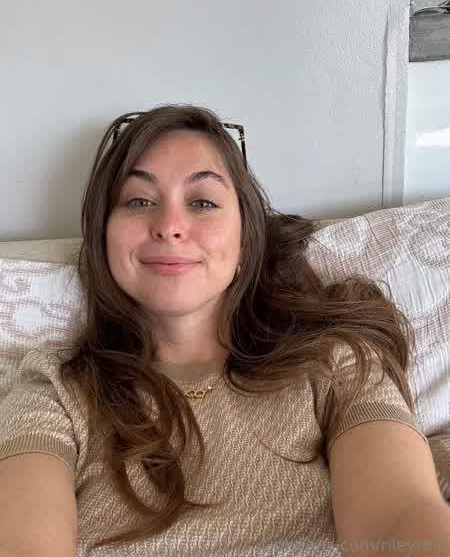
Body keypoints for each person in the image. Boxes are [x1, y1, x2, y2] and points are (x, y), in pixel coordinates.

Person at [0, 104, 448, 557]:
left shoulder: (337, 362)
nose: (169, 226)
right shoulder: (56, 388)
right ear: (103, 238)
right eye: (139, 200)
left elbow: (400, 519)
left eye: (202, 202)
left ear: (245, 243)